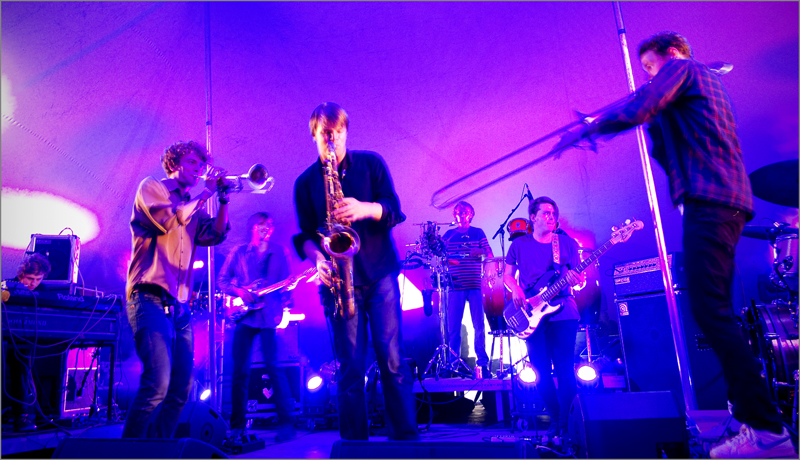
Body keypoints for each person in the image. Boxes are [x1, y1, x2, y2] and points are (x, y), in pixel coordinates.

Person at [556, 31, 795, 458]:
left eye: (651, 67)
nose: (650, 76)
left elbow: (643, 105)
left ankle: (767, 430)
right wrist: (644, 121)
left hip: (712, 201)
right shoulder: (690, 91)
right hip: (718, 201)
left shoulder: (683, 68)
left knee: (711, 312)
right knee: (712, 312)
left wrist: (594, 127)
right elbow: (664, 149)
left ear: (669, 55)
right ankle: (752, 421)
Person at [292, 102, 419, 441]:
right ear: (314, 135)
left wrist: (365, 208)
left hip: (380, 275)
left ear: (346, 132)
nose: (332, 139)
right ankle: (353, 447)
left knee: (393, 361)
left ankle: (405, 442)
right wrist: (318, 259)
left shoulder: (371, 163)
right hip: (338, 282)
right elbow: (304, 236)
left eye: (337, 132)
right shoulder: (305, 183)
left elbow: (394, 210)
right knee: (349, 368)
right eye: (325, 133)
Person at [122, 140, 230, 439]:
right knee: (157, 382)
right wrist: (206, 193)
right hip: (148, 297)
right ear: (173, 164)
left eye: (201, 164)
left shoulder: (193, 205)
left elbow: (215, 234)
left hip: (179, 304)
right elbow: (167, 220)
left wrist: (222, 200)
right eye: (192, 163)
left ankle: (159, 451)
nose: (198, 169)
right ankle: (127, 454)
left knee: (182, 387)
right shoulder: (152, 187)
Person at [503, 196, 583, 439]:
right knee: (539, 370)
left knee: (565, 369)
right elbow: (507, 276)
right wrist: (515, 289)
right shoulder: (519, 245)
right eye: (546, 213)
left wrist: (577, 280)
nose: (551, 217)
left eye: (553, 213)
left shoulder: (567, 243)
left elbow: (579, 281)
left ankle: (565, 423)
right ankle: (555, 417)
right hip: (532, 312)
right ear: (533, 217)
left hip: (564, 311)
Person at [218, 212, 297, 442]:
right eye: (263, 225)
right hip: (244, 317)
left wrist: (288, 291)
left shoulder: (279, 252)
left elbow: (286, 285)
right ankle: (237, 427)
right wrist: (240, 292)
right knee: (240, 372)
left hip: (268, 315)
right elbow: (222, 280)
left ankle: (287, 424)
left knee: (275, 368)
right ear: (253, 227)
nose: (268, 228)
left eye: (270, 225)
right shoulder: (239, 252)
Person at [442, 201, 493, 378]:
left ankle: (482, 364)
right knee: (453, 327)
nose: (461, 214)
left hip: (475, 285)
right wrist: (450, 260)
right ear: (454, 215)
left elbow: (489, 254)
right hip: (455, 285)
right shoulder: (448, 235)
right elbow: (441, 258)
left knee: (478, 325)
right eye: (458, 212)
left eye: (464, 212)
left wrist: (480, 251)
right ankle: (452, 365)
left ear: (471, 214)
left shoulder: (478, 232)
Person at [2, 253, 51, 432]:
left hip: (27, 340)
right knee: (19, 361)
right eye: (30, 279)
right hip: (7, 337)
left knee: (26, 362)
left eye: (38, 279)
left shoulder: (43, 291)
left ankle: (33, 416)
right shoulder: (7, 286)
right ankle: (20, 415)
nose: (33, 283)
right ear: (21, 274)